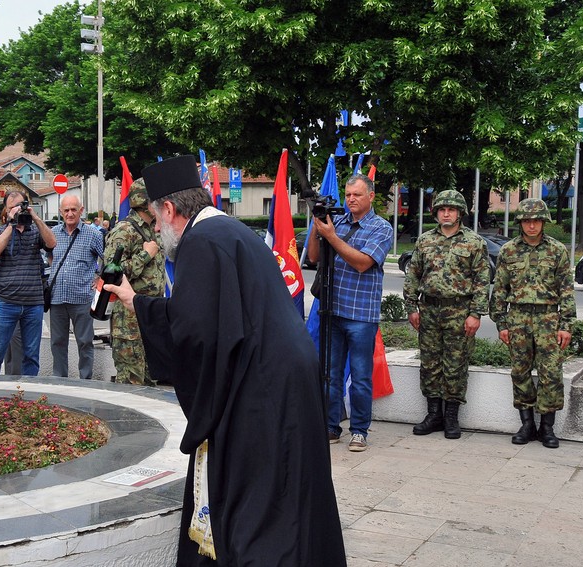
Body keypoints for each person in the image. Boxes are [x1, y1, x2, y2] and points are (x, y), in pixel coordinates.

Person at [105, 155, 346, 566]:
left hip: (260, 386)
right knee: (291, 486)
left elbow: (196, 334)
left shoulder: (200, 243)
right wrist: (136, 301)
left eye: (157, 219)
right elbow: (209, 318)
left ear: (170, 210)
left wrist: (144, 311)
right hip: (281, 373)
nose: (158, 231)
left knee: (261, 498)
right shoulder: (230, 230)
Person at [307, 173, 393, 452]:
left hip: (361, 315)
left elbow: (362, 263)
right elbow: (313, 258)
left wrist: (331, 236)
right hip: (332, 310)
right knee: (329, 375)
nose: (351, 199)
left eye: (357, 194)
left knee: (360, 377)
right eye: (348, 194)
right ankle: (331, 426)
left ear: (370, 196)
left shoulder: (381, 228)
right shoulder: (339, 221)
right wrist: (316, 227)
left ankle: (359, 431)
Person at [402, 190, 490, 439]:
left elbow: (482, 281)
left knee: (456, 364)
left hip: (459, 312)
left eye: (451, 209)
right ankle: (433, 415)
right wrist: (411, 307)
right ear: (436, 213)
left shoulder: (474, 242)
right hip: (429, 310)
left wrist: (476, 314)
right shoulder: (425, 240)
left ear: (460, 213)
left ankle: (451, 417)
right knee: (429, 363)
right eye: (442, 209)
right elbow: (413, 275)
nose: (446, 213)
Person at [490, 198, 576, 448]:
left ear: (543, 222)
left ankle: (547, 427)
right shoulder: (508, 251)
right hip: (517, 318)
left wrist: (566, 324)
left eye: (536, 220)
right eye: (527, 221)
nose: (531, 225)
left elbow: (566, 290)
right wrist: (501, 323)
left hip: (549, 318)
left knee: (551, 372)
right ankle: (527, 424)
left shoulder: (557, 250)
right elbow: (500, 289)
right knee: (520, 371)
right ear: (521, 223)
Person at [0, 190, 56, 375]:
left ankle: (27, 398)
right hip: (6, 302)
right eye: (12, 207)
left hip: (33, 304)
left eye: (21, 205)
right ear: (5, 210)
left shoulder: (35, 231)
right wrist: (11, 224)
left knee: (31, 356)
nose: (17, 210)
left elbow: (52, 243)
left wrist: (35, 217)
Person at [103, 179, 164, 386]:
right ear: (146, 203)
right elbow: (111, 272)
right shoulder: (124, 230)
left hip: (149, 310)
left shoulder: (152, 229)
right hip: (128, 317)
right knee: (132, 379)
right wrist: (145, 256)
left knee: (149, 378)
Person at [48, 194, 104, 380]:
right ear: (61, 212)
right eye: (66, 210)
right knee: (57, 342)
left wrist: (98, 279)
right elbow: (49, 257)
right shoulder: (53, 233)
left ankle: (85, 381)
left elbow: (106, 260)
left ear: (81, 211)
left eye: (74, 209)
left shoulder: (94, 234)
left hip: (82, 298)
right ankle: (60, 380)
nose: (70, 214)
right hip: (57, 298)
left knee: (85, 342)